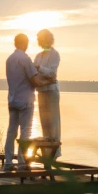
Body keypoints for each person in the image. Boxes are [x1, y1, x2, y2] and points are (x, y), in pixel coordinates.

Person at [4, 33, 40, 171]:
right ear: (25, 43)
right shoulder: (25, 59)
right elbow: (34, 80)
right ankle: (22, 162)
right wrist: (46, 82)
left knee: (11, 132)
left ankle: (8, 162)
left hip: (12, 99)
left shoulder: (9, 59)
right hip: (25, 101)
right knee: (25, 131)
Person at [34, 29, 61, 160]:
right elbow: (38, 76)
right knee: (44, 123)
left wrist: (39, 69)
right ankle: (46, 154)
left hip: (51, 91)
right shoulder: (38, 56)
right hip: (41, 91)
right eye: (40, 40)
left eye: (44, 39)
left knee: (53, 123)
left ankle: (54, 155)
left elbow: (52, 73)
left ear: (49, 40)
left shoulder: (55, 54)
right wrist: (43, 81)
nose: (42, 42)